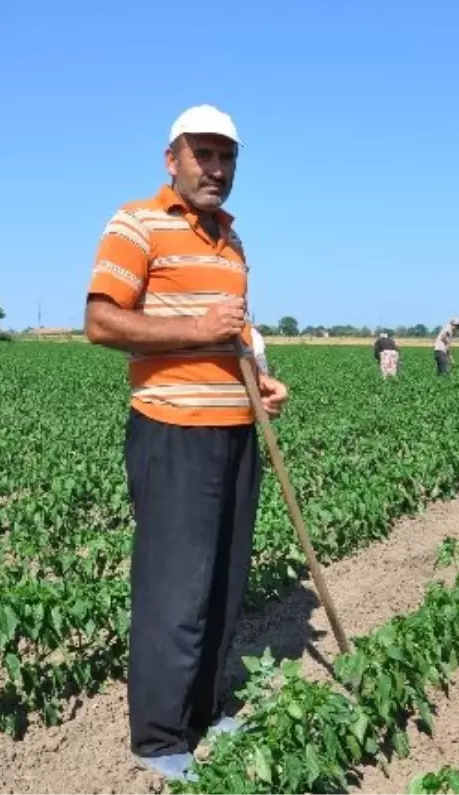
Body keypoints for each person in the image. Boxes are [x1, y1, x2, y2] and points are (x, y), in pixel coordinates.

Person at [83, 104, 289, 783]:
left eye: (227, 158)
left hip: (235, 430)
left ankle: (205, 707)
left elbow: (234, 330)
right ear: (172, 159)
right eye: (204, 155)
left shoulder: (232, 241)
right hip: (173, 430)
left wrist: (259, 378)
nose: (217, 169)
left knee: (226, 580)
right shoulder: (136, 223)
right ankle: (160, 734)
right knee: (175, 585)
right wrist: (198, 327)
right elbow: (102, 321)